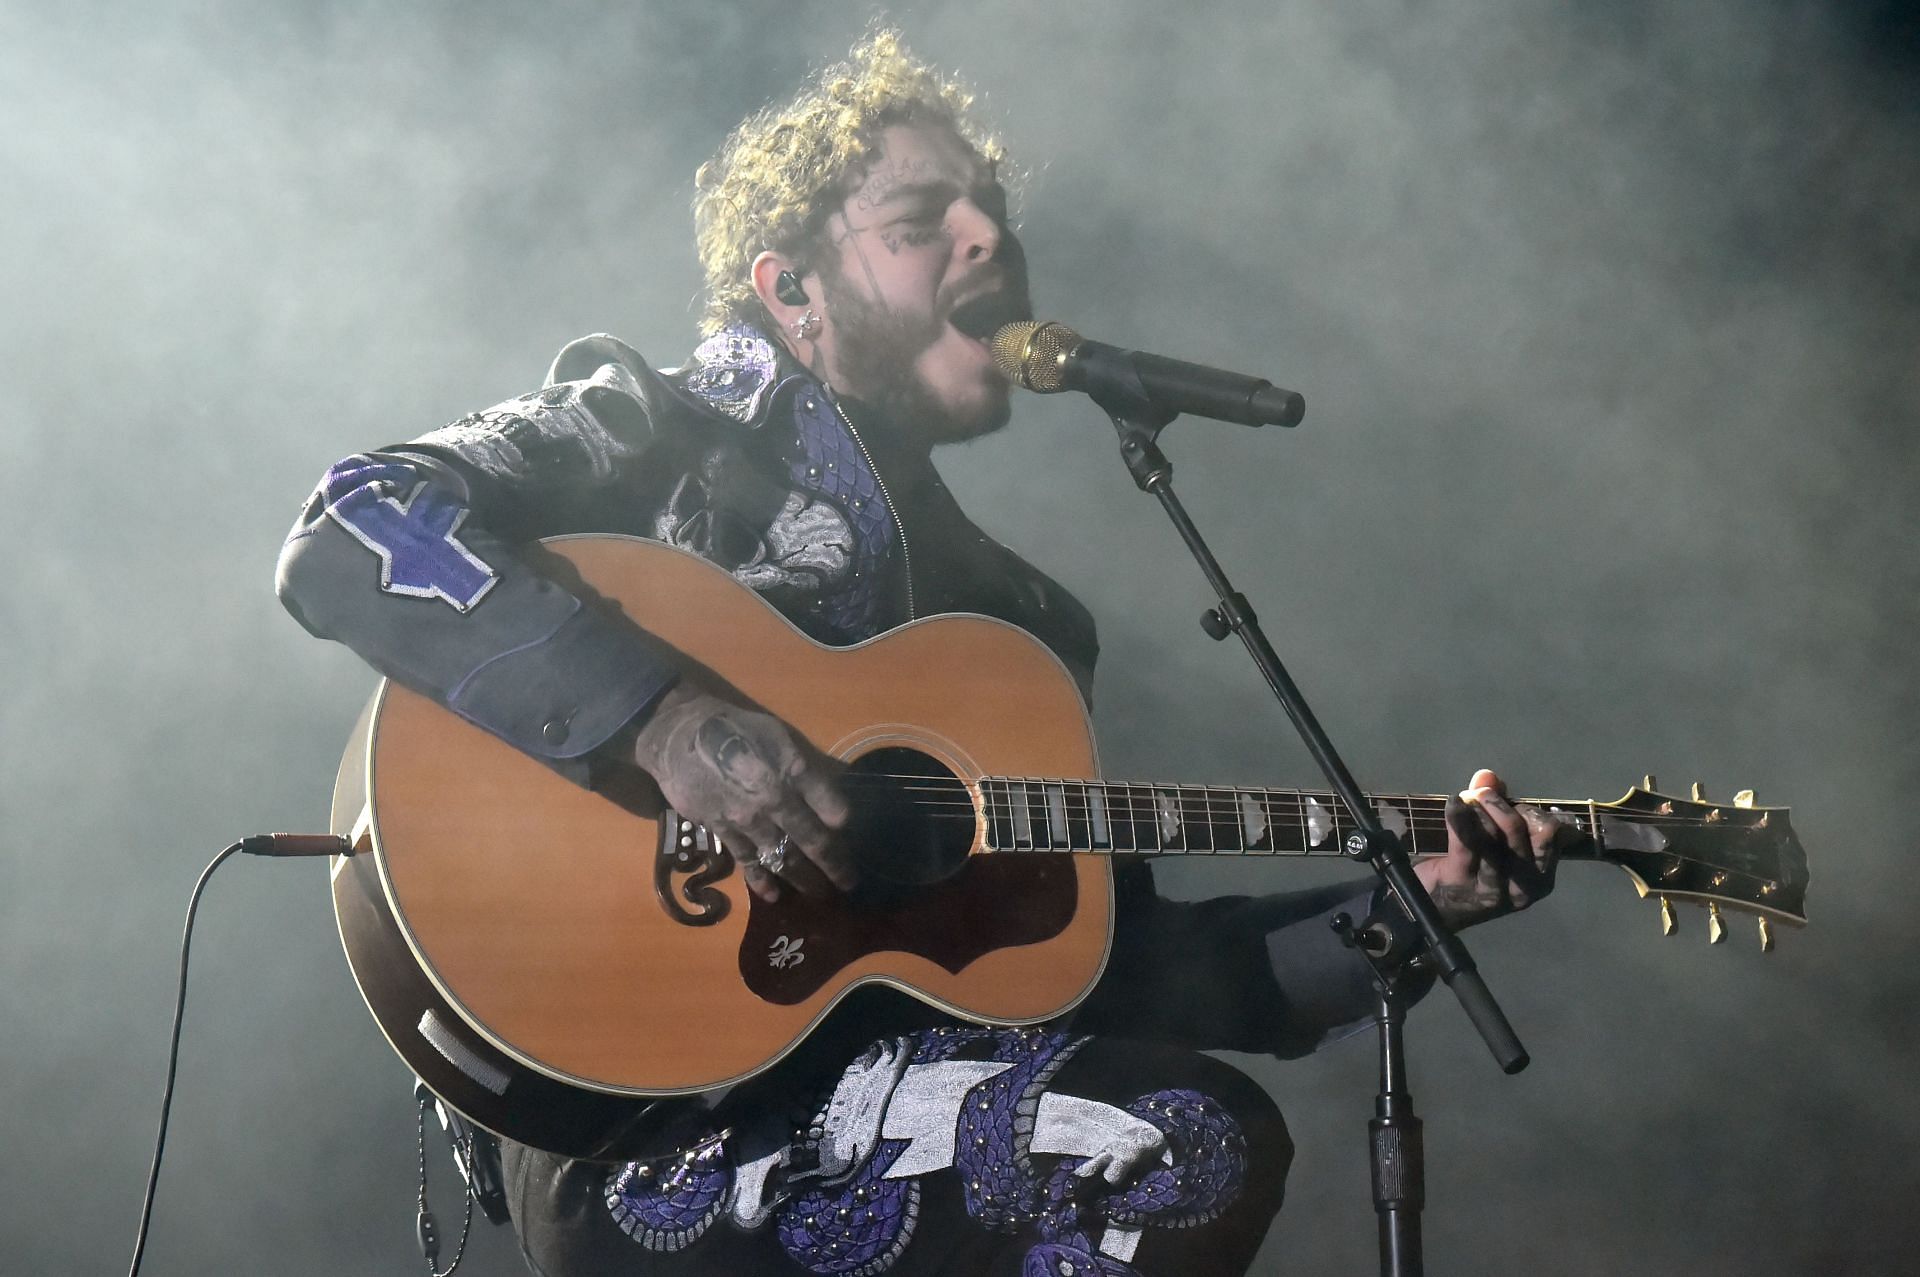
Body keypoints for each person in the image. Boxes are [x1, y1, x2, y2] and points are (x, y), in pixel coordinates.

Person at [276, 30, 1562, 1277]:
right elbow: (353, 519)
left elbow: (1128, 975)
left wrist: (1414, 903)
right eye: (919, 223)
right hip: (648, 1120)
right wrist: (665, 721)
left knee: (1167, 1116)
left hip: (908, 1108)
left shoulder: (1022, 633)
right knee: (1179, 1135)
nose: (991, 238)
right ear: (792, 291)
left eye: (994, 211)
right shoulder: (664, 427)